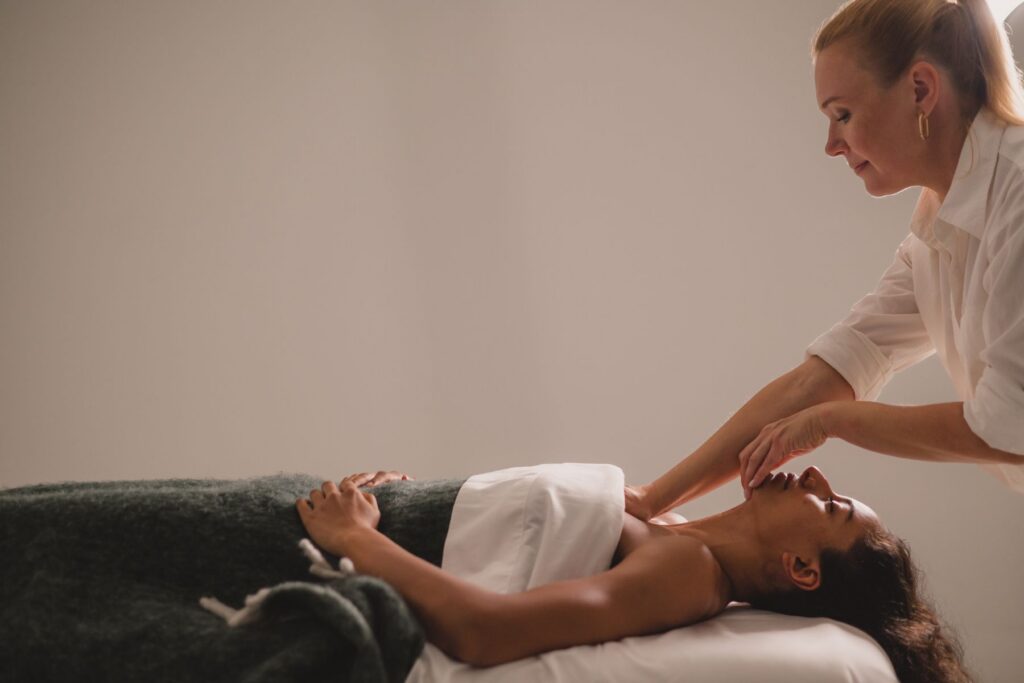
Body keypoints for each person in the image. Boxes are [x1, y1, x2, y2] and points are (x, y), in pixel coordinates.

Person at [625, 0, 1024, 528]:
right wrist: (651, 499)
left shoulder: (1017, 195)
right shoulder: (936, 236)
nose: (831, 145)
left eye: (843, 115)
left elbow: (1009, 426)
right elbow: (828, 373)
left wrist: (835, 421)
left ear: (920, 89)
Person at [296, 466, 971, 683]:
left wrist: (356, 536)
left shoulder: (688, 571)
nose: (817, 476)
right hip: (343, 518)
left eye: (832, 506)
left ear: (800, 568)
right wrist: (411, 499)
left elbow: (486, 631)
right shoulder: (674, 530)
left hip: (322, 548)